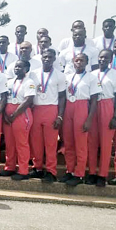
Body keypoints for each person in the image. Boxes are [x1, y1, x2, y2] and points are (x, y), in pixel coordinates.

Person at [60, 53, 101, 187]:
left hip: (82, 106)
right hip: (69, 107)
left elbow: (94, 101)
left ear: (87, 62)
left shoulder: (91, 78)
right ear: (73, 61)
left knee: (81, 144)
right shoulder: (68, 77)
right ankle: (70, 170)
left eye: (82, 60)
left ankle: (79, 173)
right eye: (77, 60)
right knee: (69, 142)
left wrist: (89, 119)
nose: (79, 63)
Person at [29, 49, 67, 183]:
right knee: (36, 142)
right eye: (45, 57)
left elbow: (62, 97)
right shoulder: (33, 74)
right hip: (36, 108)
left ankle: (51, 171)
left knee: (50, 143)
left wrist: (60, 116)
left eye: (50, 57)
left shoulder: (59, 75)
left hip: (51, 109)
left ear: (54, 58)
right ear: (41, 57)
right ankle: (37, 167)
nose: (47, 59)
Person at [1, 60, 36, 180]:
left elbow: (28, 100)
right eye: (16, 66)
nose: (17, 68)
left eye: (20, 67)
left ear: (26, 69)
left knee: (21, 143)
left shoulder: (29, 82)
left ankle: (23, 170)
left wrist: (14, 114)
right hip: (8, 113)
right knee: (10, 143)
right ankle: (10, 167)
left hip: (21, 114)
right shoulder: (10, 82)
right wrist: (5, 113)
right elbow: (5, 97)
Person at [86, 49, 116, 187]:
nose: (102, 60)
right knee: (91, 142)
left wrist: (114, 116)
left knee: (105, 143)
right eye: (100, 57)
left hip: (107, 105)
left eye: (106, 58)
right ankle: (92, 172)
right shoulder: (91, 75)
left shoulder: (114, 74)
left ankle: (102, 175)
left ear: (111, 60)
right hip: (93, 106)